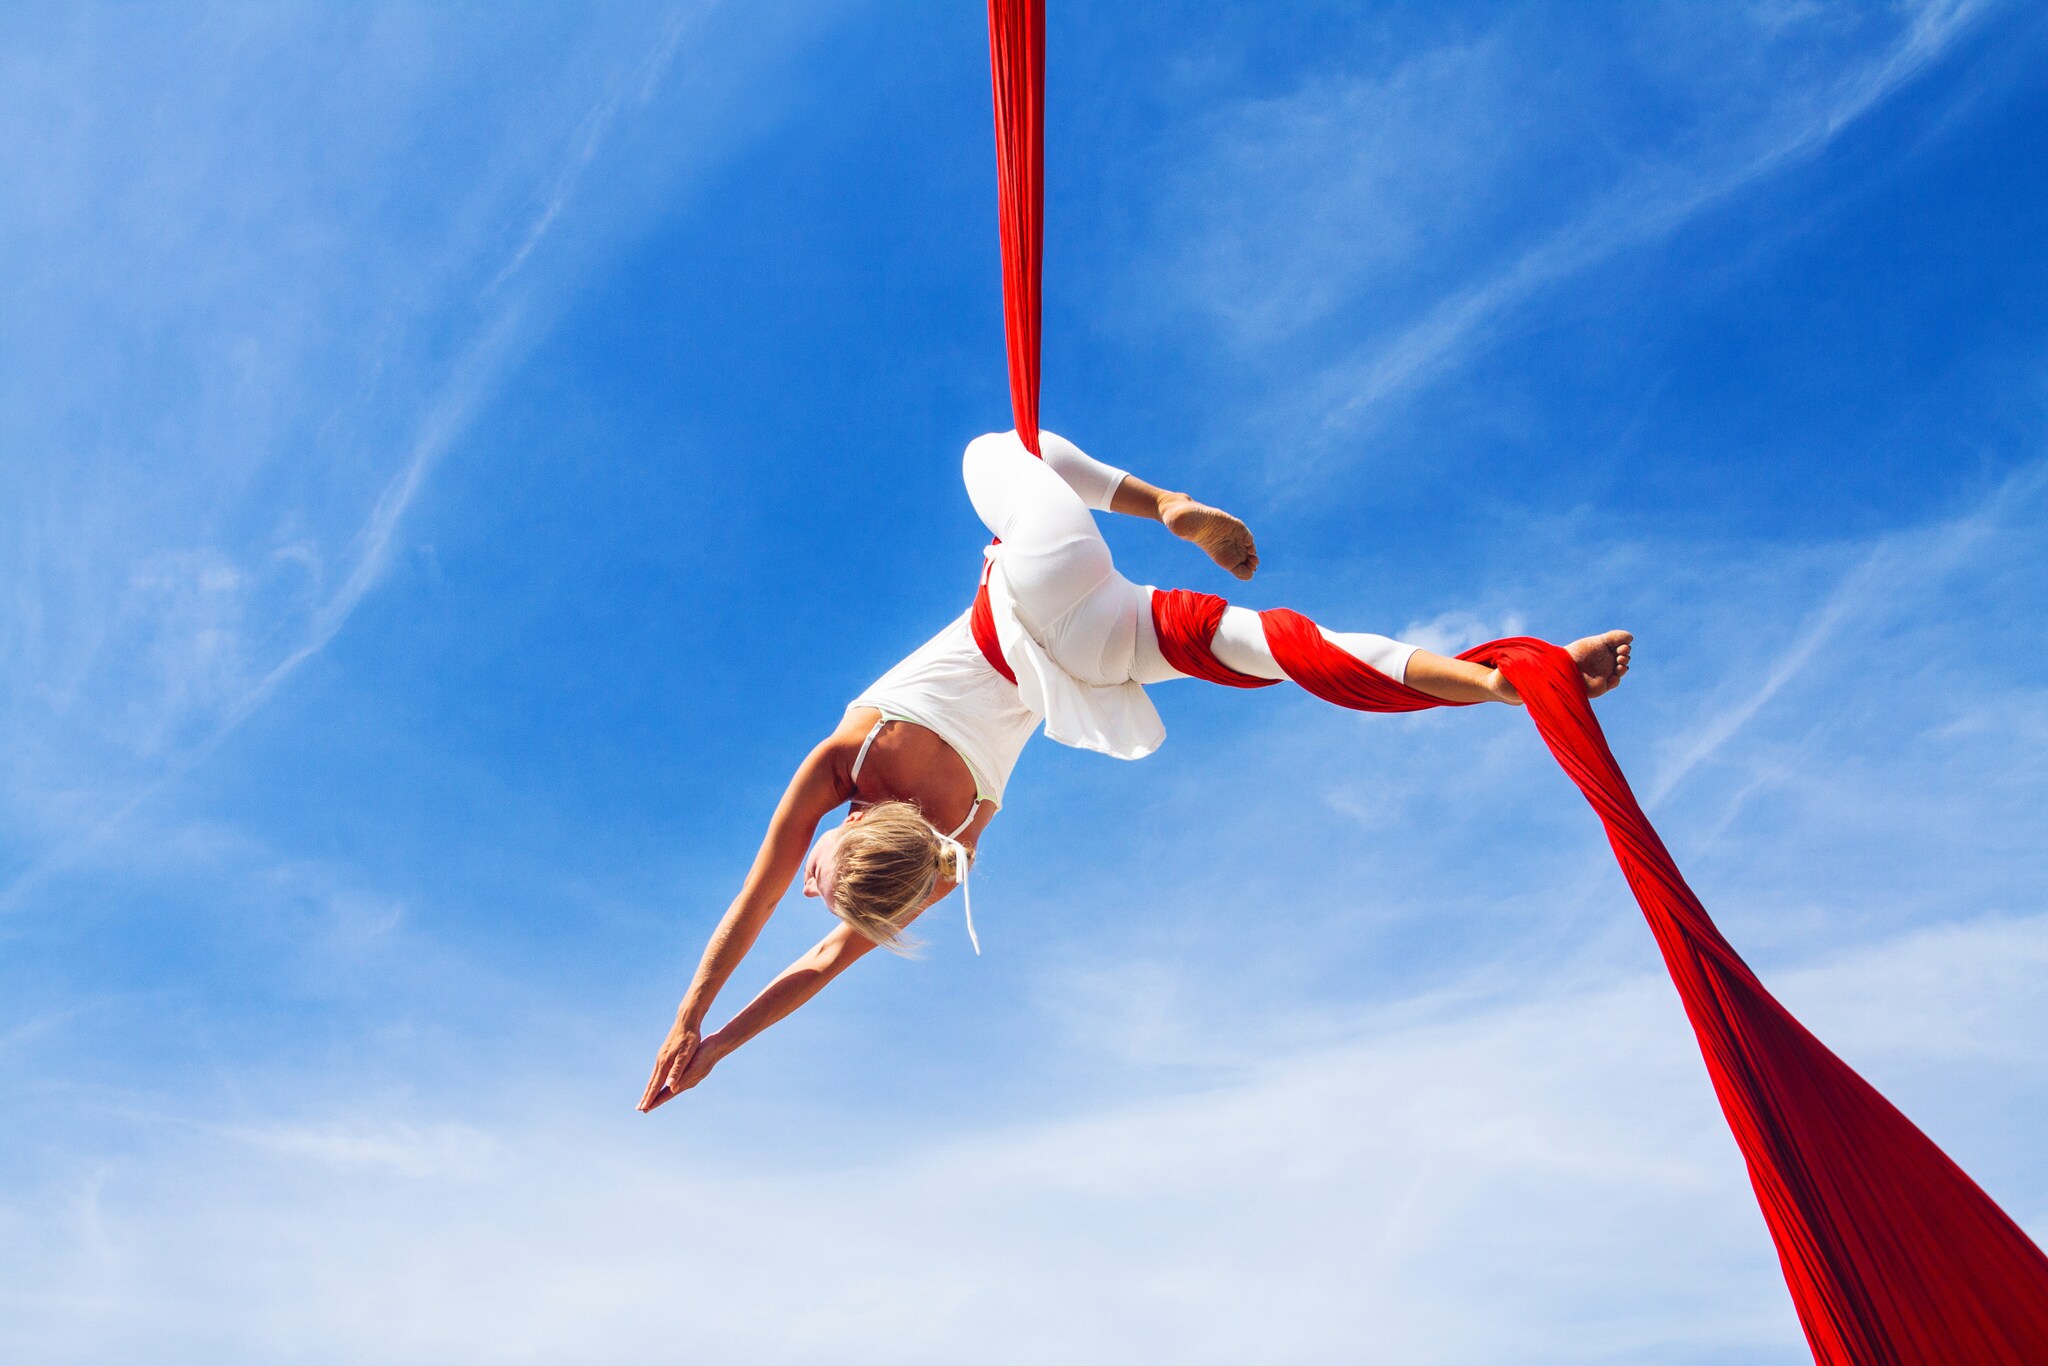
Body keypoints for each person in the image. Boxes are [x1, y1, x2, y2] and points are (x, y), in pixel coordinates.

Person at [637, 431, 1631, 1111]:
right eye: (825, 875)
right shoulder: (842, 763)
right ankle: (1165, 504)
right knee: (1000, 450)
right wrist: (690, 1017)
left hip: (1097, 660)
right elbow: (755, 902)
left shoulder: (948, 856)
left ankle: (1502, 683)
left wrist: (719, 1049)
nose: (806, 882)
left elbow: (816, 962)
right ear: (852, 834)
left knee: (1287, 650)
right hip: (1036, 588)